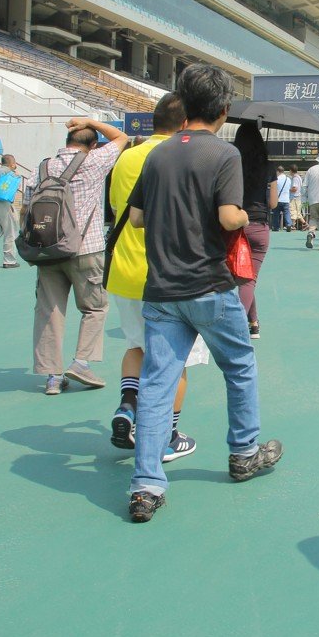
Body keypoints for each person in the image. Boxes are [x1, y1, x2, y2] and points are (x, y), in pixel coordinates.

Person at [124, 63, 282, 523]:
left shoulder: (156, 154)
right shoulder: (225, 155)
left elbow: (135, 218)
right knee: (239, 367)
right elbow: (232, 216)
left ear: (184, 103)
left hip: (161, 287)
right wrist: (230, 216)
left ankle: (146, 485)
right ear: (224, 109)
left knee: (157, 383)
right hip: (209, 284)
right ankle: (243, 452)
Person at [106, 93, 200, 463]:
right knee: (176, 361)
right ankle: (167, 435)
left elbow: (118, 209)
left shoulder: (127, 155)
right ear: (184, 124)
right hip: (170, 274)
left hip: (125, 269)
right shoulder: (181, 155)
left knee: (136, 347)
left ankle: (128, 404)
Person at [25, 117, 129, 395]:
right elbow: (122, 138)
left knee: (49, 311)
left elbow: (27, 201)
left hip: (48, 249)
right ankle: (81, 361)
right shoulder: (94, 162)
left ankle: (52, 377)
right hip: (86, 247)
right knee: (94, 307)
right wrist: (90, 121)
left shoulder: (44, 166)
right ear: (92, 145)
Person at [233, 122, 279, 338]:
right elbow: (273, 204)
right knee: (249, 279)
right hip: (260, 227)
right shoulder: (269, 168)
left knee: (244, 278)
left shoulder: (232, 163)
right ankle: (246, 324)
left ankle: (250, 322)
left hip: (235, 226)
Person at [273, 164, 293, 232]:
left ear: (278, 171)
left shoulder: (276, 179)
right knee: (287, 213)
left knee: (276, 214)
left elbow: (274, 189)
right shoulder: (288, 179)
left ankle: (276, 227)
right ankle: (289, 224)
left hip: (278, 199)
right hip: (286, 200)